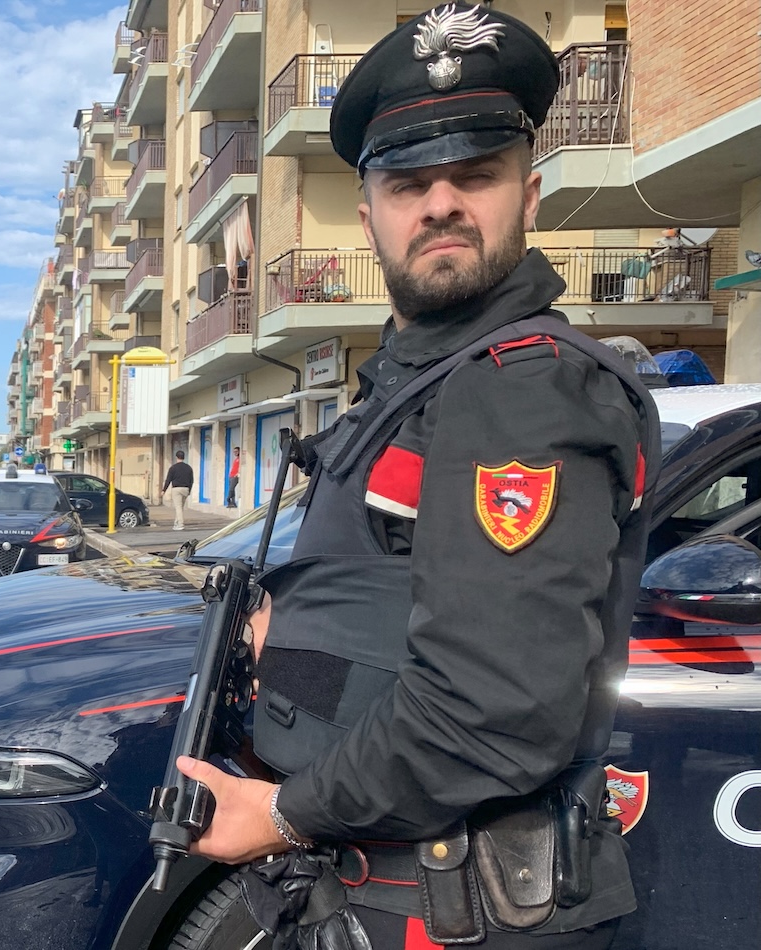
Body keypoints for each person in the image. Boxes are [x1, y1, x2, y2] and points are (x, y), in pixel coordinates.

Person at [175, 6, 659, 947]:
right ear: (371, 217)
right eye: (408, 183)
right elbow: (396, 590)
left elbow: (494, 715)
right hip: (375, 889)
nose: (440, 203)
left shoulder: (523, 391)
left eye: (474, 176)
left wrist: (279, 815)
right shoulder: (417, 380)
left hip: (453, 910)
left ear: (529, 196)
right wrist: (295, 625)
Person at [161, 450, 193, 531]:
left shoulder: (173, 468)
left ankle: (181, 524)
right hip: (186, 489)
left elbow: (168, 480)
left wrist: (163, 490)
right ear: (183, 457)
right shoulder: (189, 468)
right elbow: (191, 480)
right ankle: (176, 523)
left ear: (176, 457)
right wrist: (189, 490)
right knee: (180, 507)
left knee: (178, 507)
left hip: (176, 489)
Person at [226, 446, 241, 510]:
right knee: (232, 490)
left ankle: (228, 499)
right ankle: (233, 503)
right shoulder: (236, 459)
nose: (235, 453)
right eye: (234, 452)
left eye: (236, 451)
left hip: (235, 476)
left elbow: (241, 467)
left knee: (231, 489)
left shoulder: (240, 459)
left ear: (239, 451)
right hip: (231, 476)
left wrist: (238, 474)